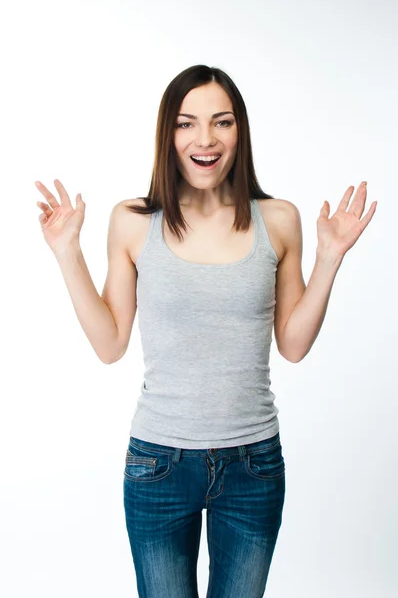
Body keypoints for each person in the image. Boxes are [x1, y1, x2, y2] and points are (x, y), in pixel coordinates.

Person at [35, 65, 377, 598]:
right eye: (186, 123)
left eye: (222, 122)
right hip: (158, 465)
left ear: (239, 132)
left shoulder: (279, 219)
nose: (205, 139)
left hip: (253, 465)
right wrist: (66, 253)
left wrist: (331, 257)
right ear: (168, 135)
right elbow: (109, 344)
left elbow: (293, 345)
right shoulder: (132, 220)